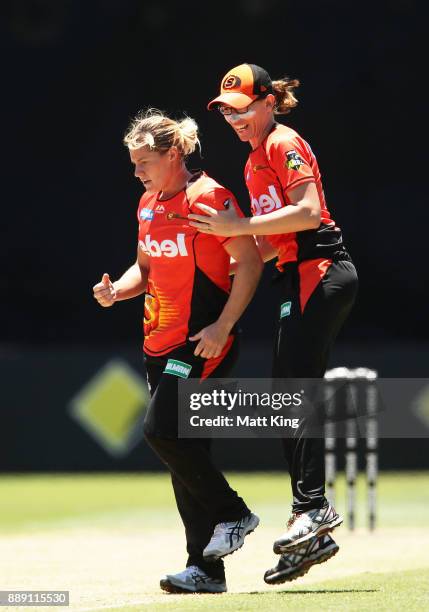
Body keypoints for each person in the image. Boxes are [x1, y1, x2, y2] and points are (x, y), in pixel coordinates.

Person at [188, 63, 358, 584]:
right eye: (226, 111)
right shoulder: (253, 159)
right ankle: (313, 526)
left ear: (267, 103)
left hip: (321, 268)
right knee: (288, 393)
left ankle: (314, 510)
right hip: (295, 275)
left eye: (241, 109)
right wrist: (227, 252)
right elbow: (262, 244)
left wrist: (238, 226)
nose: (234, 119)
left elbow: (308, 213)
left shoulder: (283, 142)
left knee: (294, 392)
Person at [93, 109, 263, 593]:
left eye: (144, 162)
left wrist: (223, 326)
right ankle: (206, 570)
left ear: (174, 154)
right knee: (183, 453)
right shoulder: (148, 204)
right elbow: (145, 268)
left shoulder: (208, 197)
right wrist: (117, 291)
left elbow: (248, 263)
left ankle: (235, 513)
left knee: (159, 431)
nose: (137, 172)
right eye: (133, 164)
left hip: (200, 343)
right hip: (157, 343)